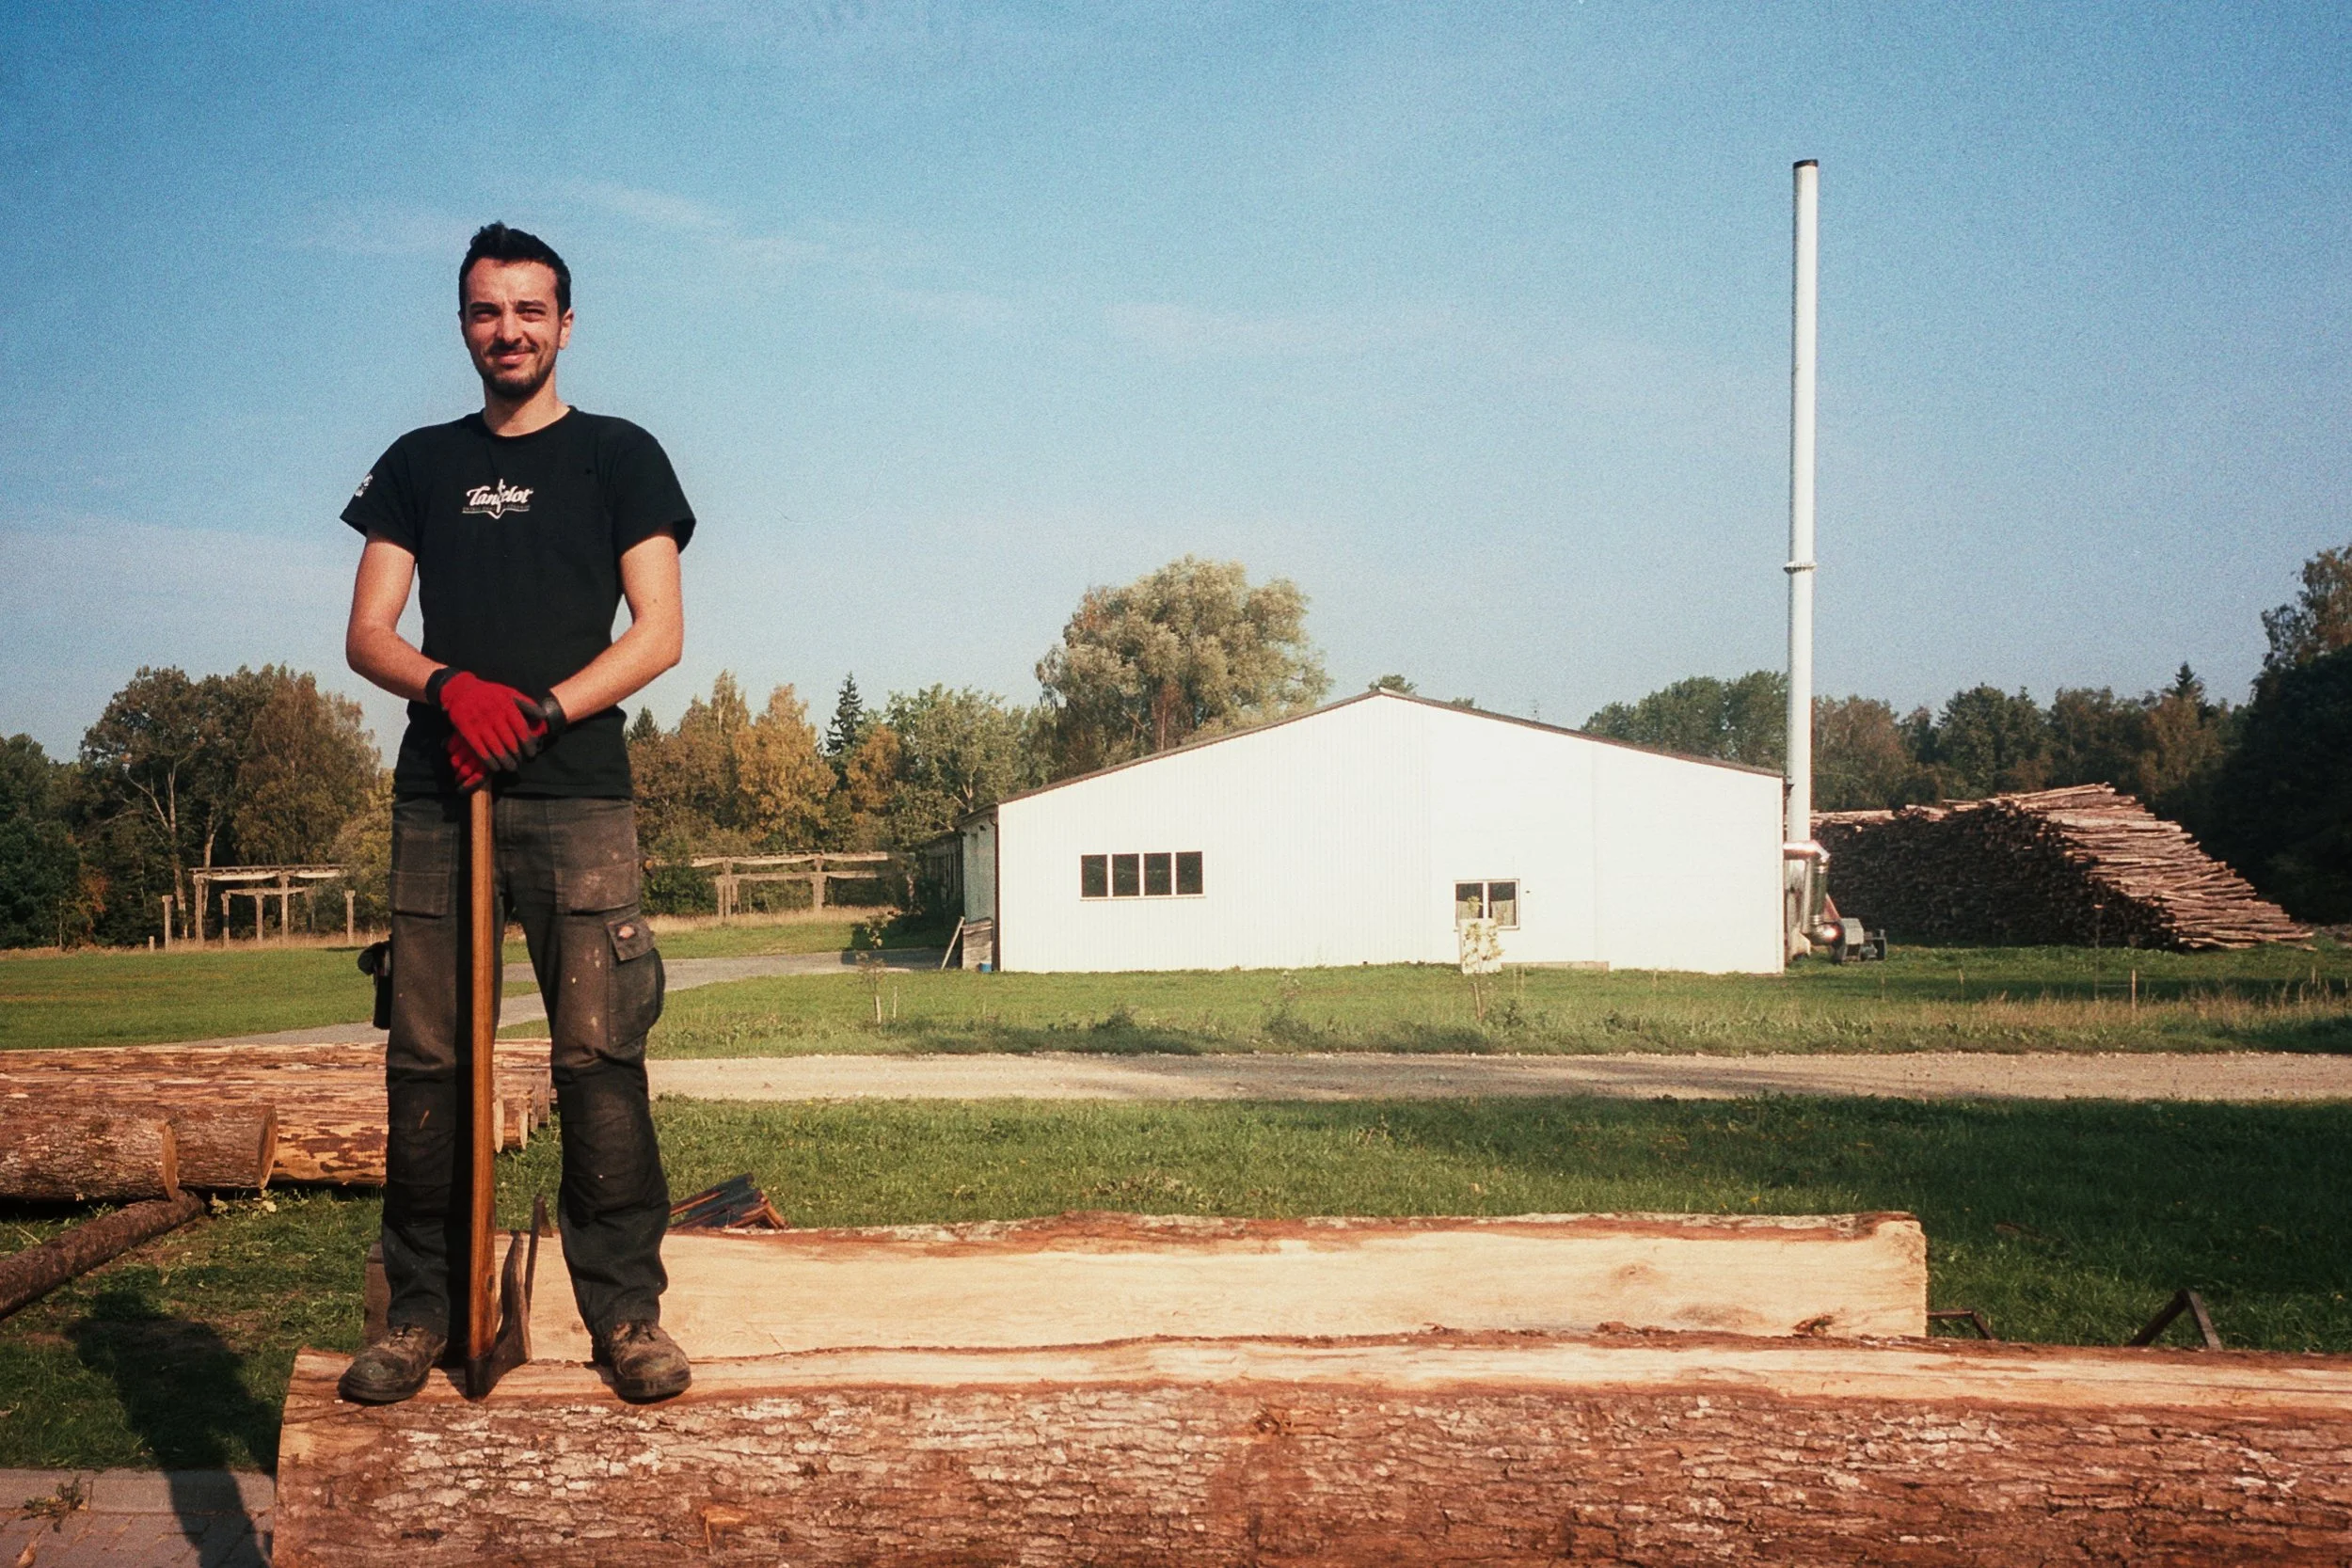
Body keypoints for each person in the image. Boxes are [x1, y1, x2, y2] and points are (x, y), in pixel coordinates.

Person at [336, 222, 693, 1404]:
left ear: (565, 325)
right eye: (487, 311)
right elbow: (369, 632)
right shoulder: (417, 464)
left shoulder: (619, 456)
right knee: (430, 1062)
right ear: (463, 325)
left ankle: (625, 1312)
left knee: (599, 1057)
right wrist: (450, 687)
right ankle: (421, 1312)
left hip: (577, 796)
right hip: (443, 800)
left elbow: (658, 632)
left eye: (530, 310)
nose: (509, 330)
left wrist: (539, 709)